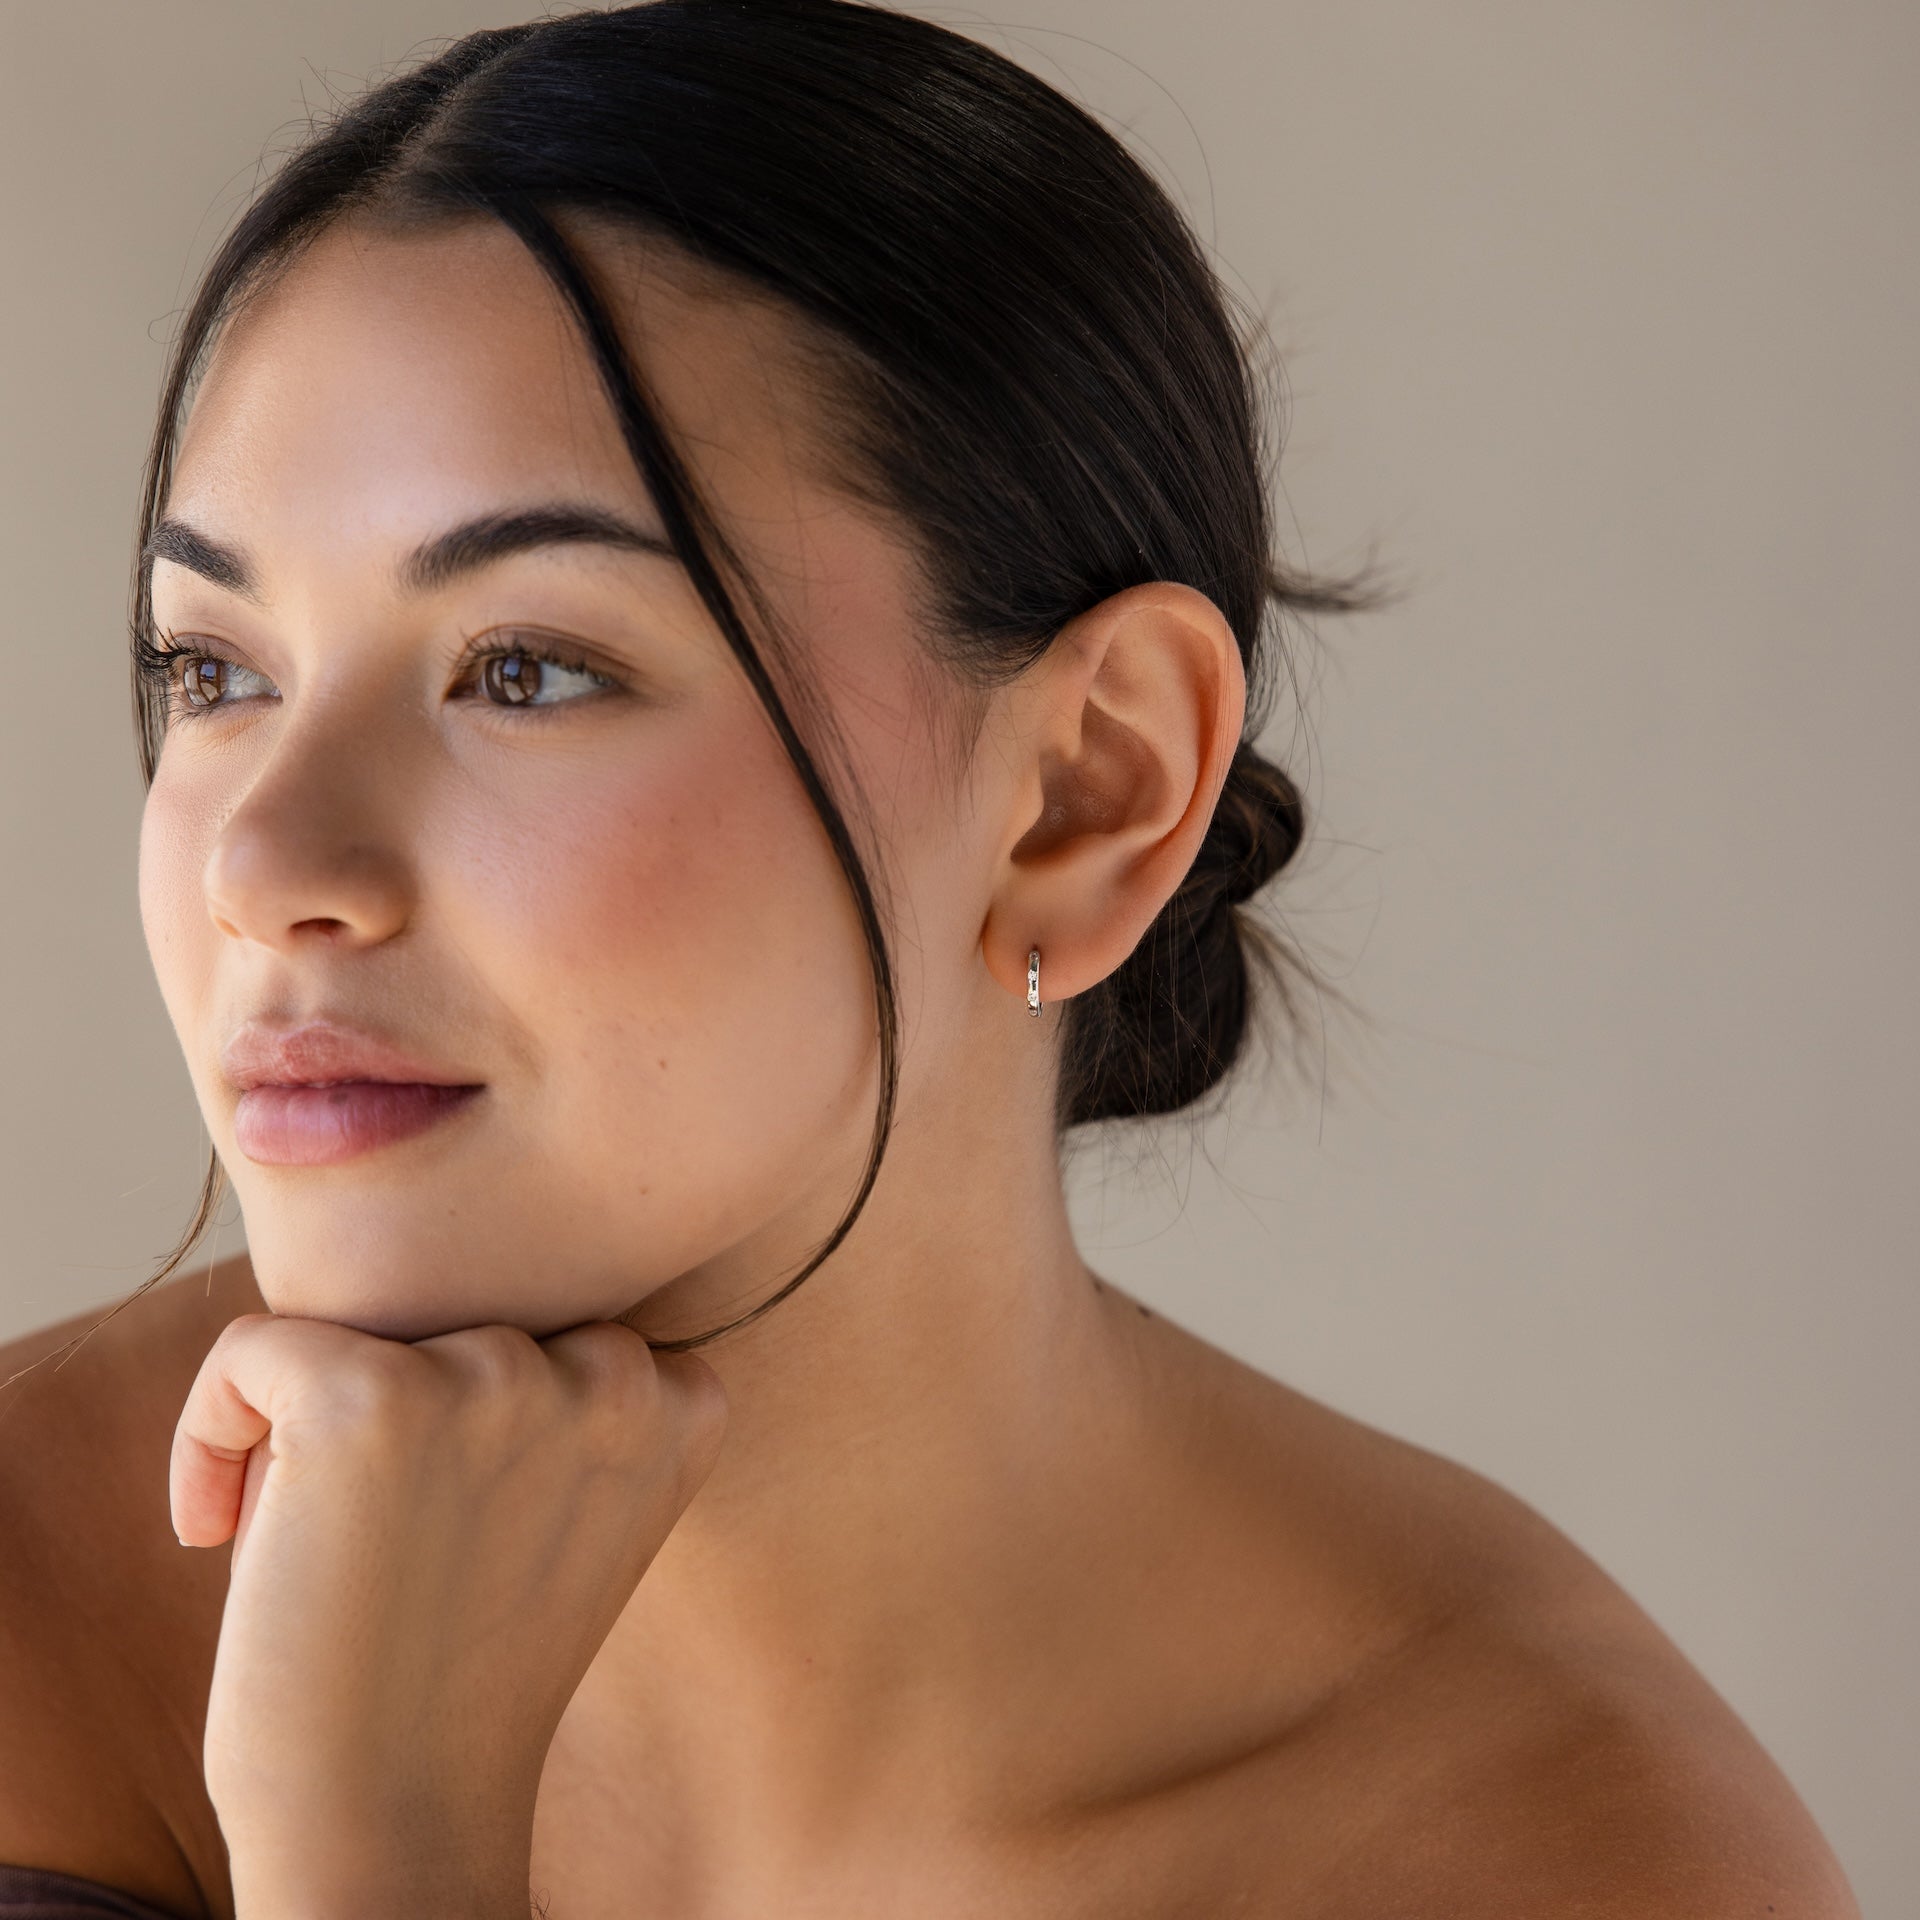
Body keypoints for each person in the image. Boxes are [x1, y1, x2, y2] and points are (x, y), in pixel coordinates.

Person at [0, 2, 1861, 1915]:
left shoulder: (1557, 1857)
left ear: (1085, 793)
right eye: (213, 671)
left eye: (528, 667)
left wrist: (371, 1838)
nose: (265, 864)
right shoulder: (26, 1602)